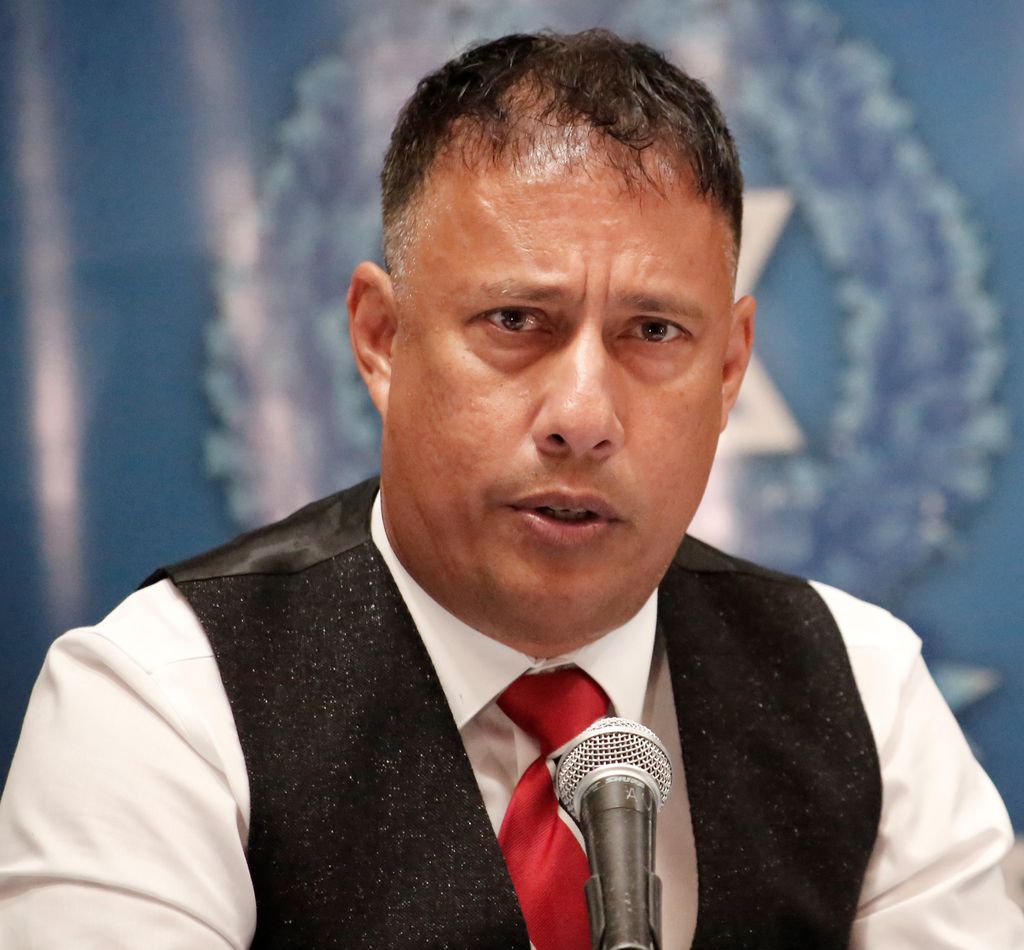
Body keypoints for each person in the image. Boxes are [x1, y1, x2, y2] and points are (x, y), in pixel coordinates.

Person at [0, 28, 1021, 950]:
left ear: (727, 370)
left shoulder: (862, 688)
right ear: (382, 338)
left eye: (653, 331)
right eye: (516, 322)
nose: (582, 413)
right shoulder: (162, 695)